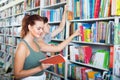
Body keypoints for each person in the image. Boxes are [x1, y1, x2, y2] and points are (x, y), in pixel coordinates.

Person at [14, 14, 80, 80]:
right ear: (30, 27)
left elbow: (60, 28)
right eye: (39, 28)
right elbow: (17, 74)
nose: (41, 31)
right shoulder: (23, 46)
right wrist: (40, 68)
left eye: (42, 28)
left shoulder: (35, 42)